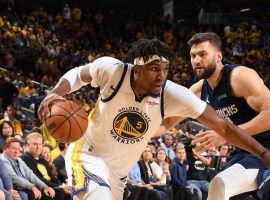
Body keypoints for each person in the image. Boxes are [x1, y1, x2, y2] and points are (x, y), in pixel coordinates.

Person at [37, 38, 270, 200]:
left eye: (165, 68)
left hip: (118, 171)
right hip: (88, 154)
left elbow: (225, 127)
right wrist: (54, 93)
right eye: (154, 68)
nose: (161, 75)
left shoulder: (173, 94)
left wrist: (264, 154)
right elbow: (78, 75)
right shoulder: (114, 71)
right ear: (137, 70)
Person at [187, 32, 270, 200]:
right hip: (243, 152)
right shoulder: (197, 90)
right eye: (193, 55)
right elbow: (166, 121)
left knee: (219, 184)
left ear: (218, 57)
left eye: (202, 54)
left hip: (265, 148)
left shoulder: (239, 77)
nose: (196, 60)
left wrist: (225, 136)